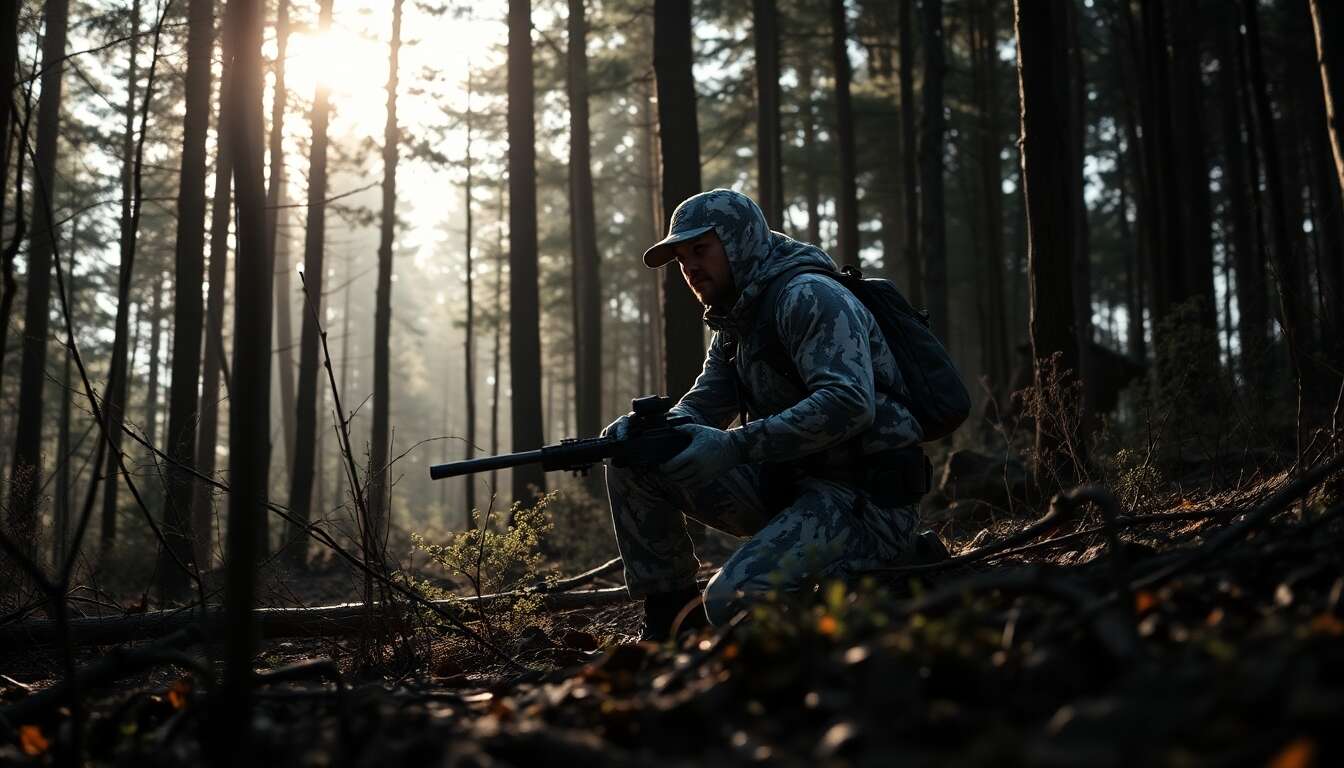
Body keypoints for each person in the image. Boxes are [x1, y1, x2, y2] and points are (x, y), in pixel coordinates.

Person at [603, 188, 931, 641]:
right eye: (681, 259)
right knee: (634, 463)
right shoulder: (734, 322)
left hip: (866, 499)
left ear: (740, 242)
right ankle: (670, 625)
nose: (691, 268)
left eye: (701, 249)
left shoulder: (809, 295)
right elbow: (703, 405)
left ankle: (894, 569)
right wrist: (648, 432)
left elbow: (849, 403)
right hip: (791, 489)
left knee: (731, 601)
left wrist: (735, 445)